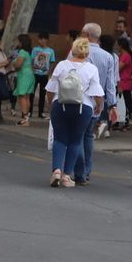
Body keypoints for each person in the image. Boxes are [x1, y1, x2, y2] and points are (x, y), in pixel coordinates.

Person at [45, 37, 105, 188]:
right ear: (87, 53)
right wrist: (99, 106)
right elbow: (97, 93)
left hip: (61, 105)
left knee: (60, 139)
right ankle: (67, 175)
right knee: (75, 141)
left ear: (72, 49)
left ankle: (56, 170)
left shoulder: (62, 65)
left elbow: (50, 88)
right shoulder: (91, 69)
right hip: (82, 107)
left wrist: (50, 104)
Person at [73, 22, 119, 183]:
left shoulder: (78, 51)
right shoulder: (109, 57)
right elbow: (111, 83)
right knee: (88, 136)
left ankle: (77, 171)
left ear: (86, 34)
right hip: (97, 102)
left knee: (76, 136)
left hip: (77, 99)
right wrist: (112, 104)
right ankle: (86, 170)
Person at [11, 36, 36, 126]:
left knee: (22, 97)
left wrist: (14, 63)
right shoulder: (28, 52)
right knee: (27, 97)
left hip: (23, 75)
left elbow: (18, 65)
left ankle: (25, 119)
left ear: (21, 42)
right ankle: (26, 118)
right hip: (30, 75)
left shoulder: (21, 52)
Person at [30, 33, 56, 118]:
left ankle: (40, 112)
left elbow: (52, 62)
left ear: (46, 40)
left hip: (44, 75)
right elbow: (32, 60)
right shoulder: (35, 49)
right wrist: (32, 70)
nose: (41, 41)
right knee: (31, 93)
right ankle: (29, 111)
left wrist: (49, 72)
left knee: (42, 94)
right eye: (40, 39)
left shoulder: (50, 51)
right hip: (35, 74)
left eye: (43, 39)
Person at [115, 37, 132, 131]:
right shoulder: (123, 55)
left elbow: (118, 68)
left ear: (121, 45)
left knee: (125, 103)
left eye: (117, 44)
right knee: (121, 103)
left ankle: (126, 123)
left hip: (124, 82)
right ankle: (119, 122)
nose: (116, 46)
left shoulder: (125, 56)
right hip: (123, 82)